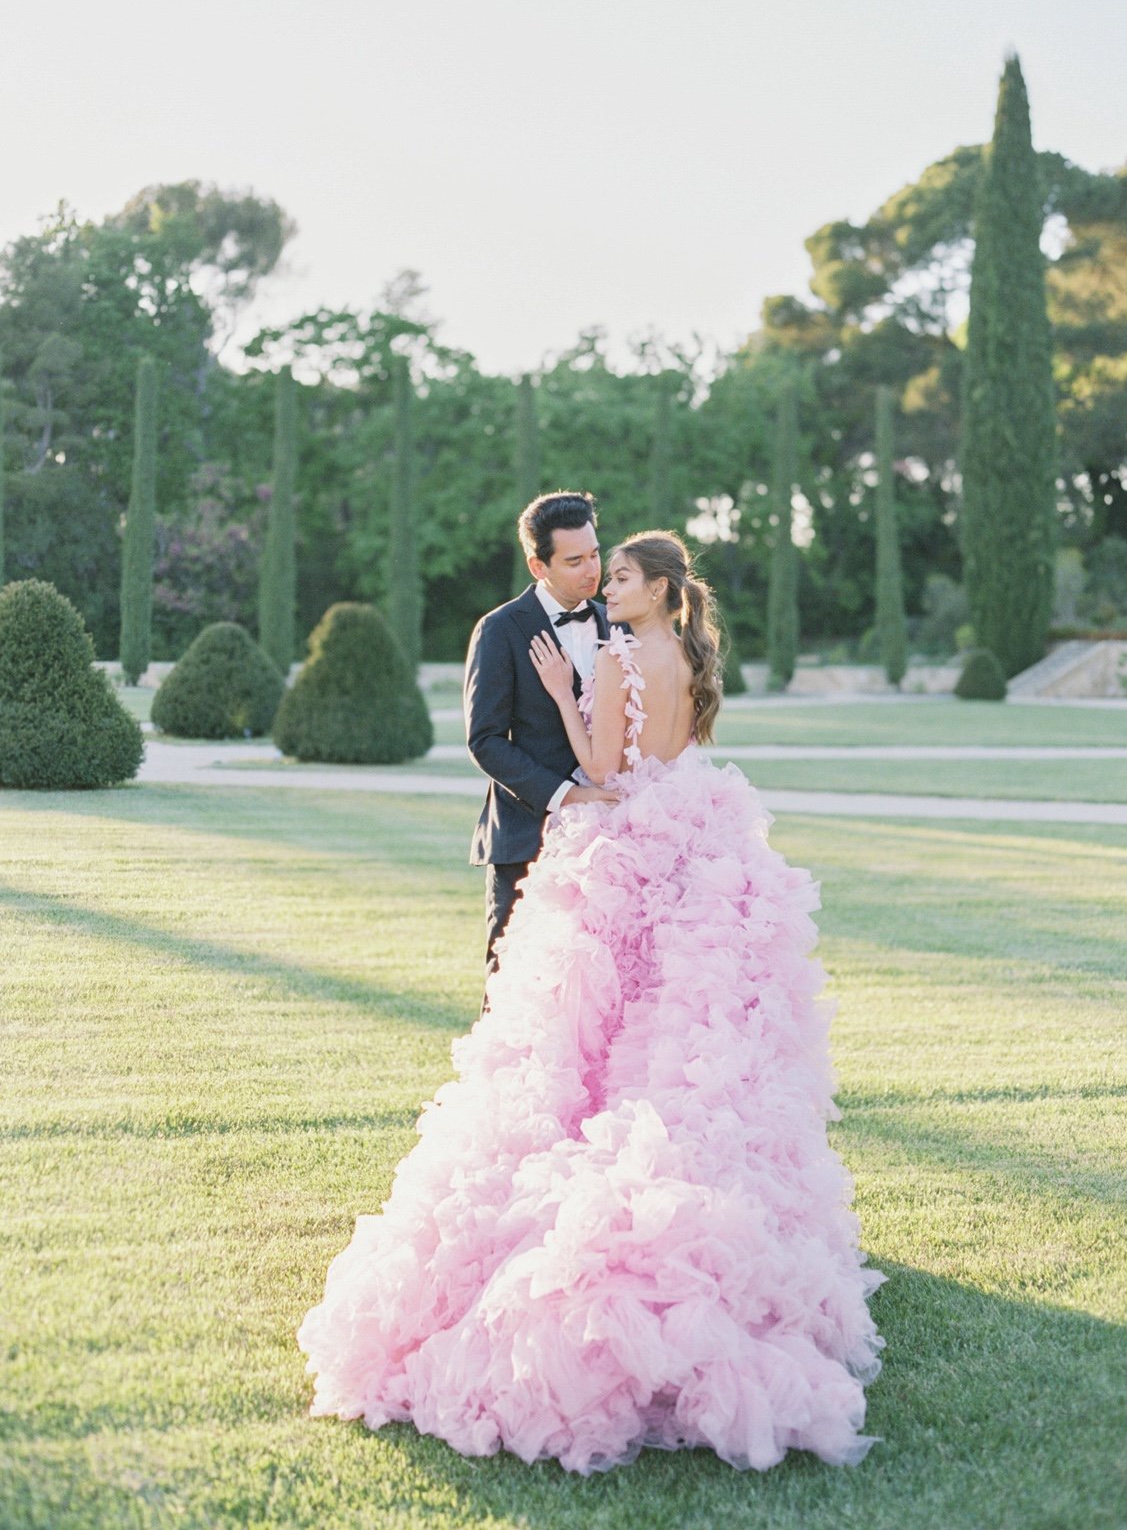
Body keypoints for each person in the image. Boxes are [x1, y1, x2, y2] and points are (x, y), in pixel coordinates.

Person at [297, 530, 885, 1475]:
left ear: (654, 588)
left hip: (625, 844)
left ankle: (592, 1162)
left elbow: (604, 771)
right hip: (700, 836)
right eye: (599, 571)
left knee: (586, 1026)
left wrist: (574, 701)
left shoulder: (615, 655)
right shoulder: (692, 653)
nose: (606, 584)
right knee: (688, 1028)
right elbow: (675, 750)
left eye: (619, 575)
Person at [462, 491, 619, 985]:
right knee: (512, 978)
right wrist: (566, 797)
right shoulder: (500, 630)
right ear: (538, 565)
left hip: (608, 840)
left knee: (597, 983)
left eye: (594, 554)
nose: (591, 570)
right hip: (525, 836)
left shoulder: (618, 623)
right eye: (574, 561)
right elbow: (485, 740)